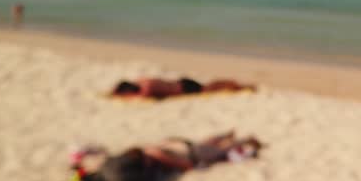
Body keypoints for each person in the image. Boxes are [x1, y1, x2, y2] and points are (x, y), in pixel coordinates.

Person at [59, 130, 263, 181]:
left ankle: (240, 139)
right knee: (208, 146)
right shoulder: (109, 165)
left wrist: (188, 167)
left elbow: (160, 162)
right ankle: (229, 136)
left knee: (215, 151)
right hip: (179, 147)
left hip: (186, 153)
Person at [109, 77, 256, 100]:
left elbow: (141, 96)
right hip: (182, 82)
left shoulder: (146, 88)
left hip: (184, 89)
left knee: (210, 89)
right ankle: (238, 85)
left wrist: (122, 96)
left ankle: (239, 86)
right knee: (209, 86)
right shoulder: (142, 80)